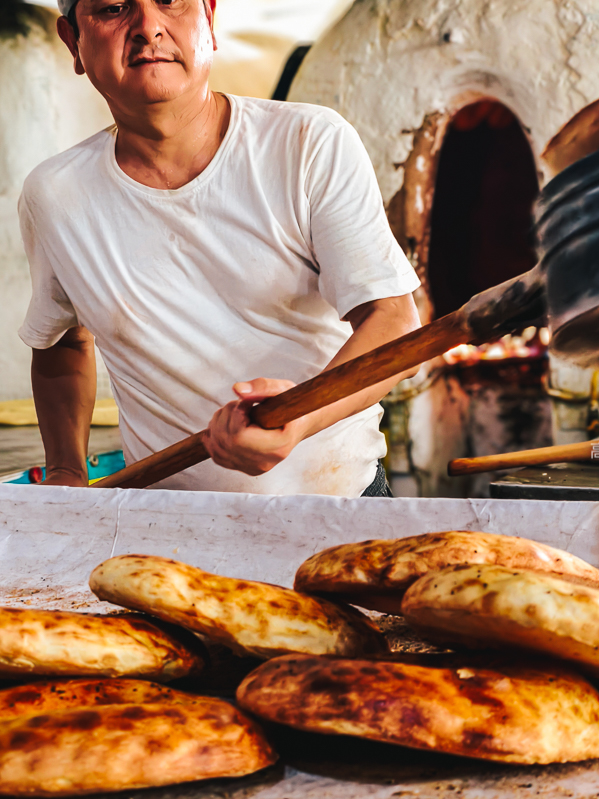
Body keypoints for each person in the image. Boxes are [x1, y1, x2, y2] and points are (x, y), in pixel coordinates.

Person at [19, 0, 421, 495]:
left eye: (170, 1)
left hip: (339, 504)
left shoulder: (308, 144)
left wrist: (298, 416)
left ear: (209, 18)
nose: (148, 27)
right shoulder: (56, 195)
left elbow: (393, 322)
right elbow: (62, 342)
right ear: (72, 42)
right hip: (161, 522)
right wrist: (65, 471)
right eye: (114, 8)